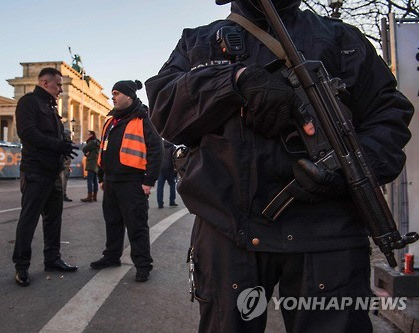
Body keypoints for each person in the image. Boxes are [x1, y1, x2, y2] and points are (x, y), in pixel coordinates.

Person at [145, 1, 414, 332]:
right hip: (230, 233)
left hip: (328, 234)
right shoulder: (201, 41)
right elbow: (163, 109)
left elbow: (388, 115)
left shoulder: (341, 39)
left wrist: (348, 168)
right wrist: (234, 81)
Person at [90, 79, 162, 283]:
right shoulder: (110, 121)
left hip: (133, 182)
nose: (112, 96)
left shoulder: (143, 119)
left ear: (129, 96)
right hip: (111, 182)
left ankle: (143, 265)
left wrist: (149, 180)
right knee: (112, 223)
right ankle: (111, 257)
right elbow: (103, 149)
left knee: (136, 226)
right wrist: (102, 176)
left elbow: (157, 149)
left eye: (116, 93)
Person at [12, 67, 79, 287]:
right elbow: (28, 133)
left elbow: (55, 137)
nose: (61, 89)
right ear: (44, 83)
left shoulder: (52, 108)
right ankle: (21, 266)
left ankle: (52, 259)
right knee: (29, 219)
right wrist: (58, 145)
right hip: (35, 171)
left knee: (53, 219)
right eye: (58, 84)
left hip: (53, 172)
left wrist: (63, 144)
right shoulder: (29, 102)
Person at [157, 139, 178, 208]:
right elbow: (175, 159)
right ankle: (172, 201)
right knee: (172, 184)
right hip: (169, 168)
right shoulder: (172, 147)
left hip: (161, 168)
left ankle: (160, 203)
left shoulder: (160, 146)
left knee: (160, 186)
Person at [81, 130, 101, 202]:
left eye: (88, 134)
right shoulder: (97, 142)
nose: (87, 136)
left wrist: (86, 153)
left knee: (89, 180)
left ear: (91, 135)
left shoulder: (92, 142)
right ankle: (94, 196)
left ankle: (89, 197)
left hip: (91, 162)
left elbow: (84, 149)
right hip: (96, 162)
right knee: (94, 180)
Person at [61, 128, 73, 202]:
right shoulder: (67, 142)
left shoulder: (60, 140)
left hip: (61, 163)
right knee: (64, 179)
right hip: (65, 163)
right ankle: (63, 194)